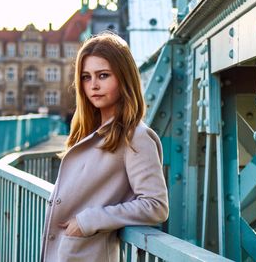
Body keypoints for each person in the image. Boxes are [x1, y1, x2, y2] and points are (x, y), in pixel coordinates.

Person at [41, 32, 169, 262]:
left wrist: (88, 221)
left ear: (124, 78)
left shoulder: (135, 137)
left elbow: (156, 205)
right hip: (65, 253)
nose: (94, 86)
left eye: (103, 75)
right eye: (86, 77)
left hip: (87, 254)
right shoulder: (90, 132)